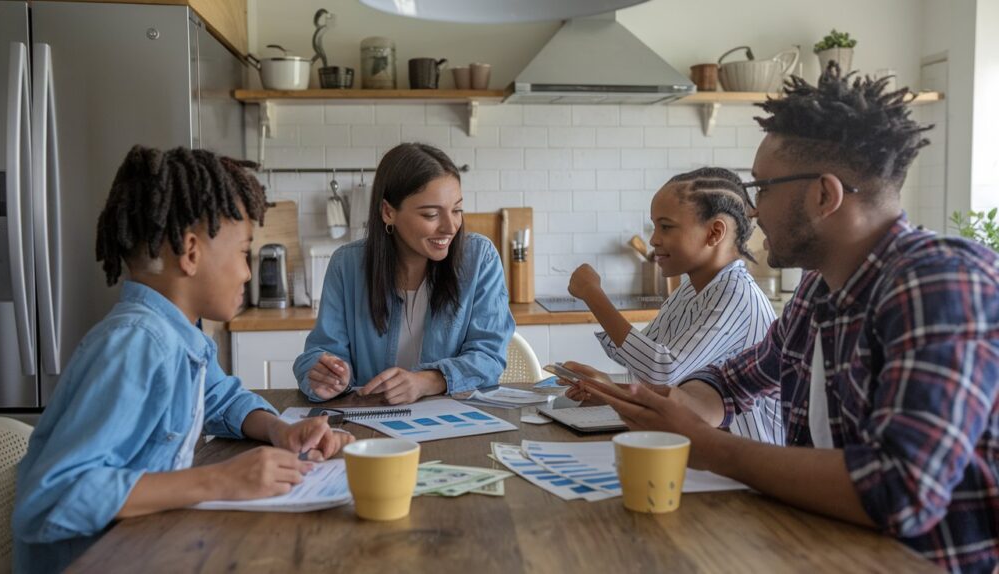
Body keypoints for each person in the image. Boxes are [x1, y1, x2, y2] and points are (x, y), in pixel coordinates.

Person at [582, 65, 999, 573]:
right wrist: (673, 404)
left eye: (763, 188)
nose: (753, 212)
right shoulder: (817, 289)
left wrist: (711, 446)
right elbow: (736, 380)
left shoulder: (940, 283)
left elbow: (900, 489)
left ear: (825, 195)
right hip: (816, 550)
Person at [11, 146, 354, 574]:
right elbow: (49, 501)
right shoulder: (139, 344)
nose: (248, 273)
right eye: (242, 253)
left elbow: (220, 398)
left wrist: (280, 430)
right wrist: (221, 480)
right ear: (190, 252)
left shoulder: (178, 333)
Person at [563, 167, 782, 444]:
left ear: (714, 233)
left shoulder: (737, 294)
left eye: (665, 226)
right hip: (710, 453)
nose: (654, 239)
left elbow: (661, 370)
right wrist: (606, 387)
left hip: (751, 465)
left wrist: (593, 294)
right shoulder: (691, 288)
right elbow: (642, 355)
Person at [294, 143, 514, 405]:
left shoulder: (480, 259)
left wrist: (427, 381)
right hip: (371, 428)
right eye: (431, 214)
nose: (450, 226)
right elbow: (320, 353)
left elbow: (489, 356)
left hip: (453, 423)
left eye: (457, 210)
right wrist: (325, 375)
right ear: (388, 212)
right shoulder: (347, 265)